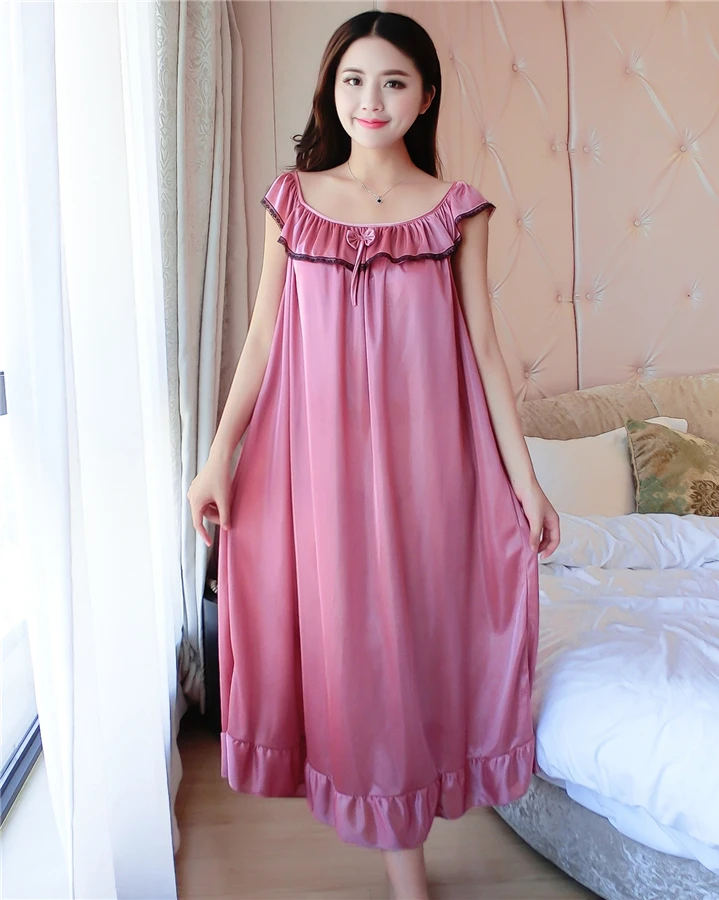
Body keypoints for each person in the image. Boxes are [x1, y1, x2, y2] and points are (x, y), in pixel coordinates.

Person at [187, 10, 560, 899]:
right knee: (346, 645)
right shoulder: (292, 199)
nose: (372, 99)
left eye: (394, 82)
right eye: (354, 80)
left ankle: (408, 862)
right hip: (313, 467)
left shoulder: (457, 210)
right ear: (332, 89)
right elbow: (262, 338)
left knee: (413, 637)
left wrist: (527, 483)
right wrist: (217, 457)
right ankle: (402, 863)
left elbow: (486, 351)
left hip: (429, 467)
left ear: (425, 97)